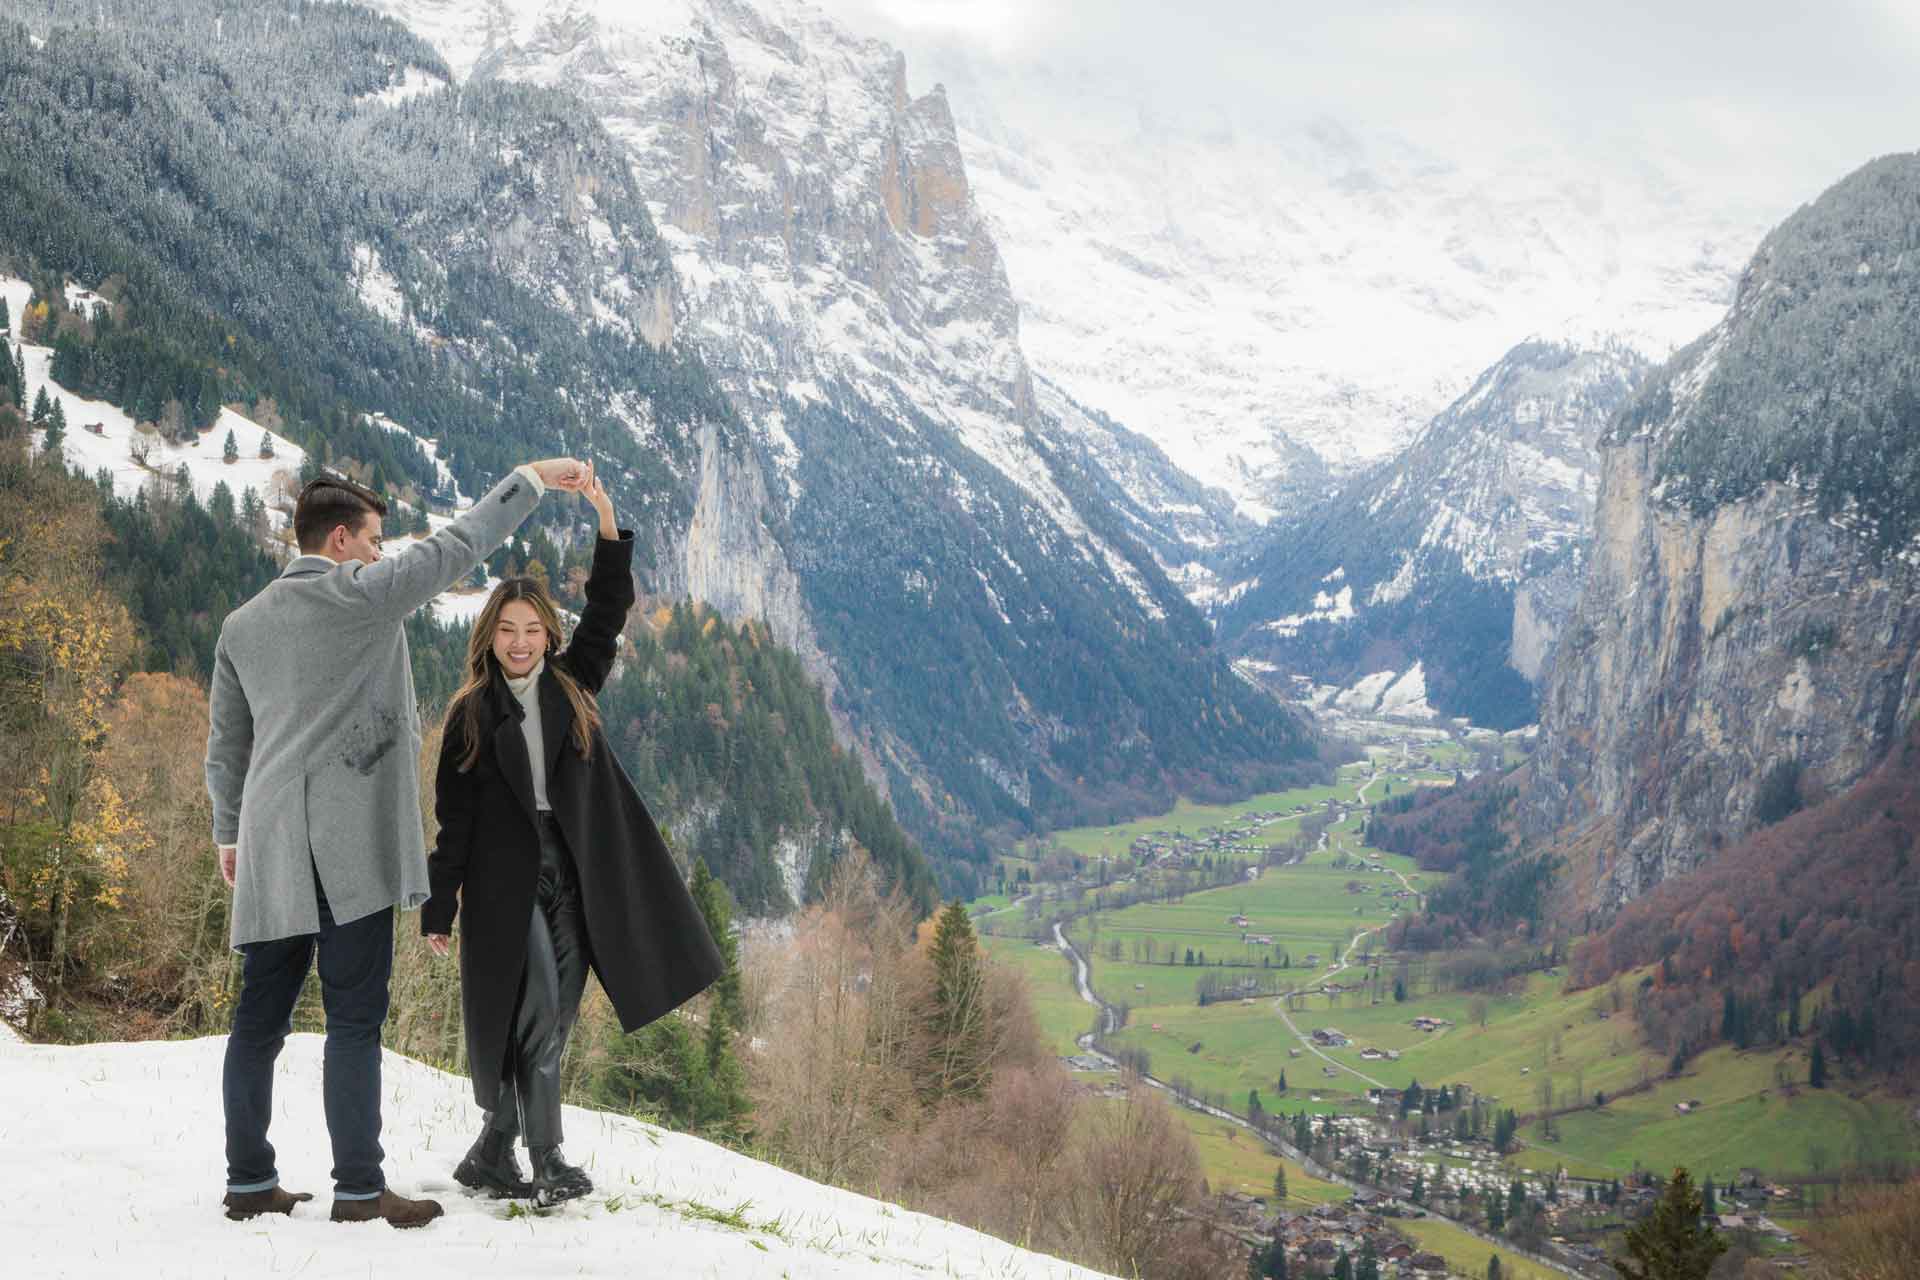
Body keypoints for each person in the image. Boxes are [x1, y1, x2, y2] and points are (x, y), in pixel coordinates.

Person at [206, 457, 589, 1228]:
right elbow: (458, 545)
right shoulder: (364, 596)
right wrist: (529, 480)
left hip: (270, 843)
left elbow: (227, 749)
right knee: (353, 1021)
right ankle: (359, 1191)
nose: (383, 555)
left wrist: (227, 832)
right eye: (375, 542)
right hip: (350, 850)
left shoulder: (241, 625)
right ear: (342, 541)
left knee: (257, 1022)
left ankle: (249, 1182)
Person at [422, 471, 724, 1205]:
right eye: (507, 630)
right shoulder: (470, 715)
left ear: (547, 636)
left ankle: (494, 1149)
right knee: (534, 1008)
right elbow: (453, 821)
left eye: (532, 630)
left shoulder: (573, 684)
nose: (520, 643)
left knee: (555, 1014)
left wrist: (606, 517)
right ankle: (548, 1157)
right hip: (502, 883)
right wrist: (440, 905)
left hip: (576, 871)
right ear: (488, 636)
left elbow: (609, 607)